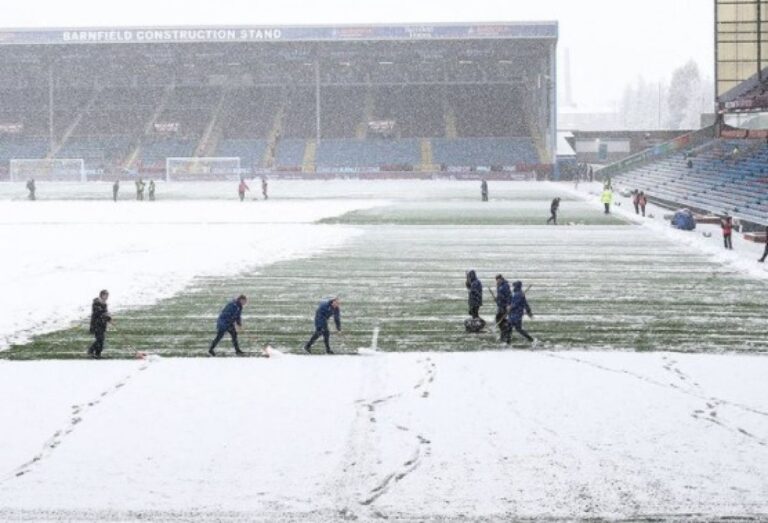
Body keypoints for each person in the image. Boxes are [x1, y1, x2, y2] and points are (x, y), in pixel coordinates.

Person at [87, 290, 112, 359]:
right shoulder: (96, 303)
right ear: (101, 295)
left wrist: (108, 317)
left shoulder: (104, 304)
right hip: (96, 324)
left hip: (102, 324)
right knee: (99, 339)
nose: (107, 297)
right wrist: (105, 316)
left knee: (101, 340)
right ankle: (91, 351)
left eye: (107, 295)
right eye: (105, 295)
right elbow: (98, 313)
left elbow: (104, 313)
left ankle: (98, 354)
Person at [494, 274, 512, 343]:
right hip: (500, 306)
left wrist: (508, 305)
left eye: (498, 280)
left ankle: (505, 335)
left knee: (499, 319)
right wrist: (497, 299)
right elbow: (500, 295)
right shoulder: (499, 285)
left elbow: (508, 296)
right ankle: (504, 335)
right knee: (500, 320)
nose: (497, 281)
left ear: (501, 279)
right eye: (496, 280)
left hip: (504, 306)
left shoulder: (505, 286)